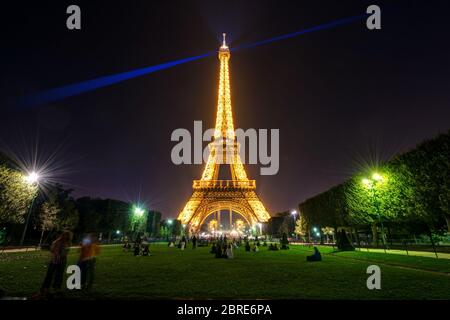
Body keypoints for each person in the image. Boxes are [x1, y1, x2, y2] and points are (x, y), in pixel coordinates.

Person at [40, 231, 73, 295]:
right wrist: (53, 250)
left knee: (59, 275)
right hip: (54, 260)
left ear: (68, 237)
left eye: (67, 235)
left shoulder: (68, 243)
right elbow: (52, 250)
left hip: (62, 260)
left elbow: (65, 252)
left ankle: (56, 288)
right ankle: (45, 288)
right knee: (49, 274)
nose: (65, 236)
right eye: (64, 235)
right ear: (62, 235)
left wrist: (62, 253)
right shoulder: (57, 241)